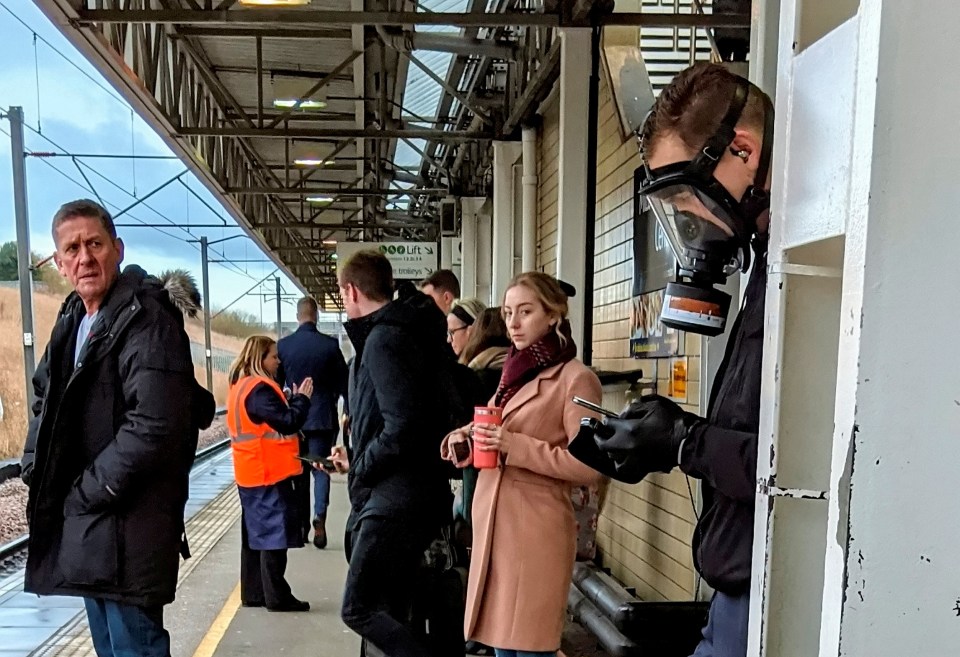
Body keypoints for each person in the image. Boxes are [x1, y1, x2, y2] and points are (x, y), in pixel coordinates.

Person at [569, 62, 775, 657]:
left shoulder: (804, 277)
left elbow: (803, 471)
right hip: (737, 583)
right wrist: (670, 438)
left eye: (684, 193)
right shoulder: (768, 268)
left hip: (769, 586)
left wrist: (686, 441)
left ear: (743, 150)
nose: (683, 219)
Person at [19, 199, 215, 657]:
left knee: (134, 649)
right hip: (95, 531)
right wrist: (35, 462)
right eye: (72, 249)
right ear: (60, 264)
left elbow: (153, 426)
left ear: (118, 248)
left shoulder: (146, 317)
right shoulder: (76, 318)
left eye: (95, 243)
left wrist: (87, 491)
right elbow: (45, 395)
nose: (85, 257)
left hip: (128, 528)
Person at [442, 272, 603, 657]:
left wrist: (516, 446)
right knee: (503, 648)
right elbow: (499, 425)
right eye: (509, 312)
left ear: (554, 315)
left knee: (530, 649)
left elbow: (589, 467)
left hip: (536, 531)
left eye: (526, 312)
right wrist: (465, 436)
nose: (513, 323)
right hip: (496, 528)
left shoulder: (577, 380)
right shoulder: (514, 371)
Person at [338, 250, 456, 657]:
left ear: (350, 290)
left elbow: (403, 424)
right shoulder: (410, 332)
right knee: (395, 607)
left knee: (358, 608)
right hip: (417, 493)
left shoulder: (383, 340)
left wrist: (362, 466)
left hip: (392, 499)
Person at [227, 335, 313, 612]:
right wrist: (301, 400)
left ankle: (253, 593)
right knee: (274, 537)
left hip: (249, 470)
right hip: (269, 472)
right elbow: (288, 423)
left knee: (254, 537)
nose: (278, 361)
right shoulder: (260, 390)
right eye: (274, 356)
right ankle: (277, 596)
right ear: (260, 359)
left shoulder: (241, 386)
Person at [277, 296, 348, 549]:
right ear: (316, 315)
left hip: (295, 419)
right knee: (321, 469)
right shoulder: (329, 345)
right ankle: (320, 515)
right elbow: (345, 384)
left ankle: (301, 526)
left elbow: (276, 386)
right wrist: (347, 411)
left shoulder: (284, 346)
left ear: (298, 316)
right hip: (323, 417)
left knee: (300, 474)